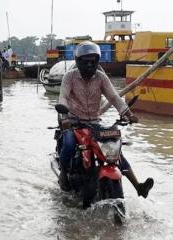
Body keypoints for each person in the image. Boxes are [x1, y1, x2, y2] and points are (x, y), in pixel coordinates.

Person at [58, 41, 154, 198]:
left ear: (97, 61)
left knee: (114, 151)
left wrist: (128, 114)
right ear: (78, 61)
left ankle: (138, 187)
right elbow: (63, 98)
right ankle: (63, 175)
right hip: (74, 123)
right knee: (68, 145)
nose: (90, 64)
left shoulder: (101, 77)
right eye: (86, 61)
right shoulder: (69, 77)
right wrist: (64, 118)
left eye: (93, 61)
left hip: (95, 122)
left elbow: (114, 97)